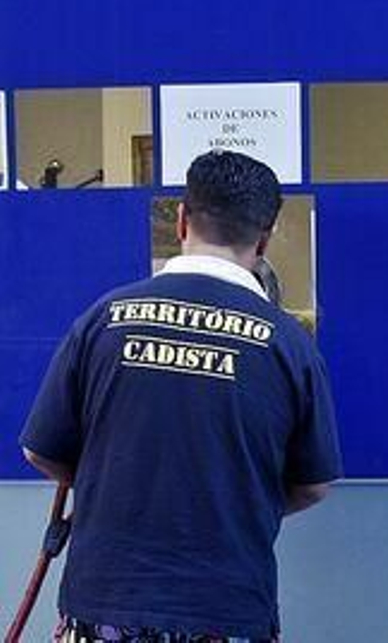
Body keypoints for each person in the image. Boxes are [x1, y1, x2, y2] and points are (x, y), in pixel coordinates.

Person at [19, 150, 342, 643]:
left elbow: (41, 449)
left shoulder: (105, 318)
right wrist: (236, 501)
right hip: (227, 610)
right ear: (265, 238)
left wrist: (115, 483)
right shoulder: (287, 344)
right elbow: (313, 483)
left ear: (183, 220)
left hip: (104, 606)